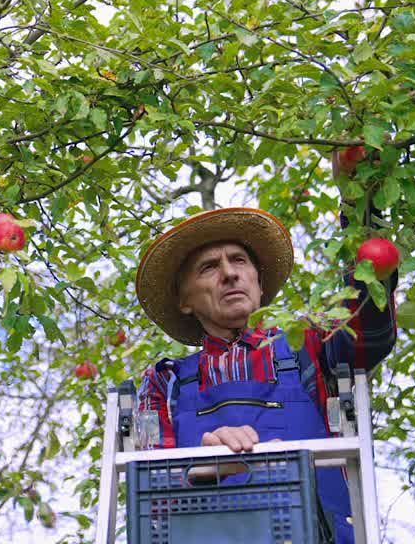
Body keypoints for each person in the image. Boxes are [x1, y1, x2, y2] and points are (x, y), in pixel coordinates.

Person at [134, 200, 398, 544]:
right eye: (208, 267)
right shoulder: (165, 383)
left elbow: (370, 334)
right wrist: (204, 467)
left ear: (259, 283)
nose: (230, 273)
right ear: (185, 300)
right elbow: (151, 498)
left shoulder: (309, 343)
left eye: (239, 260)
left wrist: (361, 202)